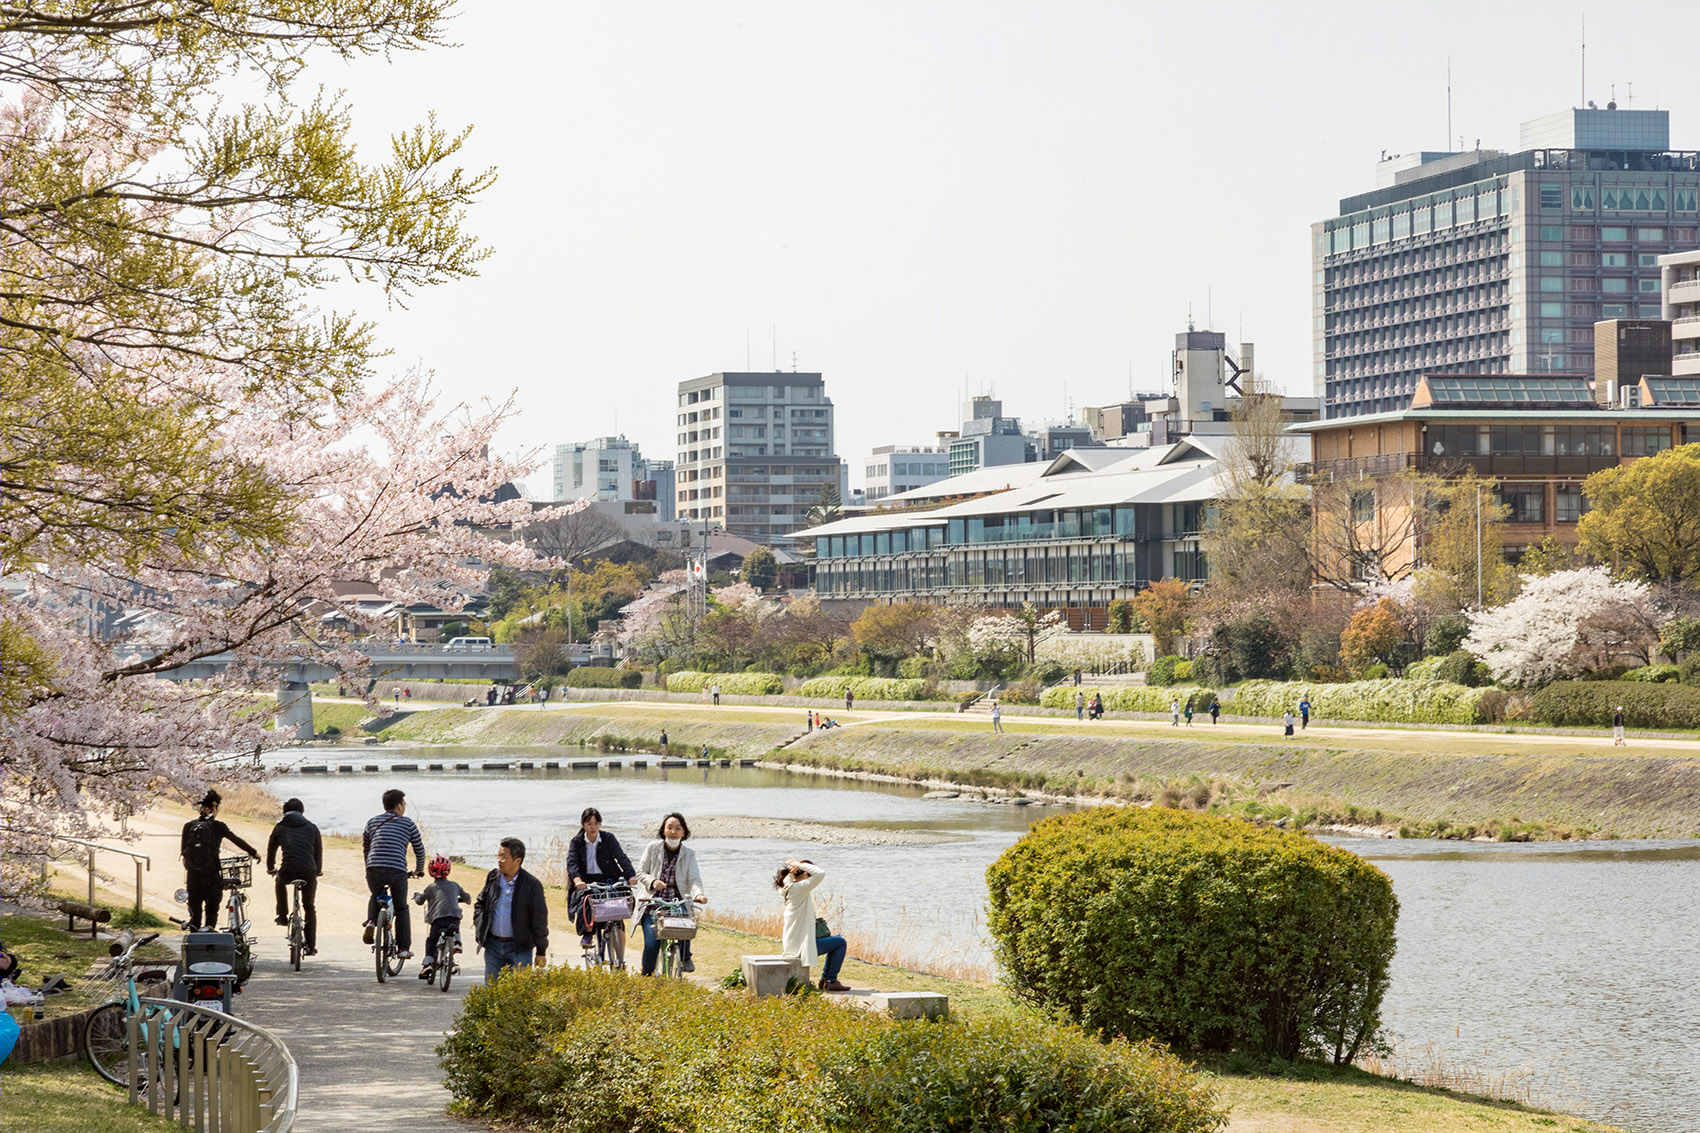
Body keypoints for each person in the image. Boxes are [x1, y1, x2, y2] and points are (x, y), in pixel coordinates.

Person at [635, 813, 707, 976]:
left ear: (684, 832)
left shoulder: (689, 854)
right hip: (653, 903)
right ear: (663, 830)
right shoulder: (653, 848)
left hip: (676, 902)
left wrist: (699, 895)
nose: (673, 831)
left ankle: (685, 955)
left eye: (677, 828)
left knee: (686, 922)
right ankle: (646, 979)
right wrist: (653, 882)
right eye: (669, 828)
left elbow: (694, 879)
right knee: (652, 944)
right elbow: (640, 872)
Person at [179, 790, 259, 933]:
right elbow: (236, 840)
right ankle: (209, 945)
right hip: (212, 877)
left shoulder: (188, 826)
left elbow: (184, 854)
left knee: (195, 917)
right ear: (214, 808)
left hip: (193, 879)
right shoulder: (218, 826)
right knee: (211, 913)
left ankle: (194, 947)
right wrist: (254, 853)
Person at [362, 788, 427, 959]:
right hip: (396, 869)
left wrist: (369, 866)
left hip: (373, 867)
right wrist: (419, 869)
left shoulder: (372, 822)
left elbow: (367, 848)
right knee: (401, 908)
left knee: (375, 895)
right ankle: (403, 948)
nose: (404, 807)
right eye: (404, 804)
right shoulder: (408, 824)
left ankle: (371, 921)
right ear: (398, 806)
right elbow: (419, 849)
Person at [474, 837, 549, 983]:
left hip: (520, 949)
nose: (499, 860)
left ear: (517, 860)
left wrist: (541, 951)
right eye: (498, 856)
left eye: (504, 857)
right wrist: (480, 926)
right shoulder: (493, 877)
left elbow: (539, 919)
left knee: (518, 996)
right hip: (493, 947)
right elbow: (480, 903)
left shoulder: (532, 885)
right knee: (491, 993)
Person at [567, 807, 637, 961]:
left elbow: (621, 857)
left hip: (609, 879)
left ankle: (620, 961)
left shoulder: (608, 838)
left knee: (618, 917)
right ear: (583, 824)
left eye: (596, 823)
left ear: (600, 824)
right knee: (587, 901)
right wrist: (577, 880)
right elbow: (572, 864)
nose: (593, 827)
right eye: (589, 823)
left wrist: (631, 875)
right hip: (587, 882)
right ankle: (588, 932)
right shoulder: (577, 842)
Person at [775, 858, 850, 992]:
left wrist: (793, 872)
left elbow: (788, 879)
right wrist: (800, 865)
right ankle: (830, 980)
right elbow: (820, 874)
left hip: (793, 945)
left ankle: (826, 980)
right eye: (808, 876)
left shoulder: (788, 888)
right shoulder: (799, 889)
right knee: (840, 942)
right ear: (805, 875)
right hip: (800, 948)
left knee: (835, 942)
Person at [266, 798, 323, 955]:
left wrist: (270, 868)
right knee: (309, 906)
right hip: (309, 872)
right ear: (302, 811)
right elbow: (318, 852)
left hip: (288, 871)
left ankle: (282, 915)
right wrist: (318, 870)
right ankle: (311, 946)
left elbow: (271, 850)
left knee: (279, 881)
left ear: (284, 812)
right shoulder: (312, 828)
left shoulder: (279, 828)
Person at [415, 855, 471, 981]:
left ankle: (427, 964)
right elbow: (467, 898)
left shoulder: (430, 888)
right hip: (454, 917)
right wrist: (465, 899)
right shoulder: (455, 885)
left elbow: (420, 900)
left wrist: (417, 896)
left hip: (438, 919)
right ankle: (457, 942)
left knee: (431, 940)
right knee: (455, 923)